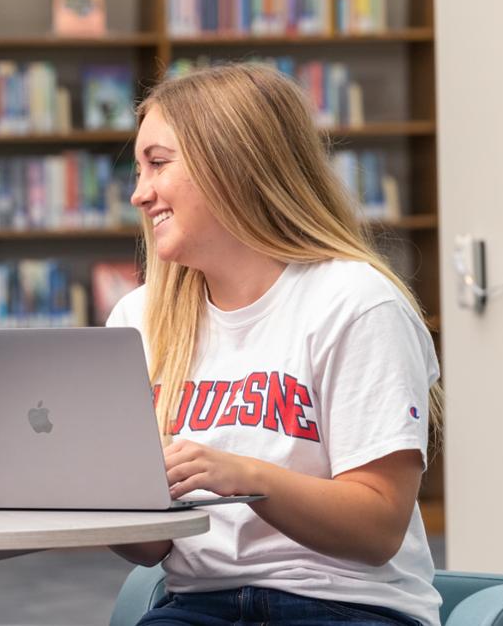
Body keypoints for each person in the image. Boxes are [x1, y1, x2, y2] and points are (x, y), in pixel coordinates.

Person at [106, 62, 443, 626]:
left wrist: (243, 476)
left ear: (232, 163)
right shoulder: (138, 319)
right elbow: (151, 551)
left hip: (347, 604)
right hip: (196, 605)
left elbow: (378, 527)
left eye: (157, 164)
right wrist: (102, 498)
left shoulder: (356, 302)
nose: (140, 194)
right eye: (138, 170)